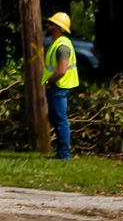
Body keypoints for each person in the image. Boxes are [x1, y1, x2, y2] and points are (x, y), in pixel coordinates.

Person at [43, 11, 80, 160]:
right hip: (57, 87)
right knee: (57, 119)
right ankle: (61, 153)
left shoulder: (62, 46)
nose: (48, 25)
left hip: (60, 87)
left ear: (58, 27)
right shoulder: (57, 43)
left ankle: (64, 154)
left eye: (51, 24)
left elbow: (62, 70)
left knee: (60, 120)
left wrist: (48, 81)